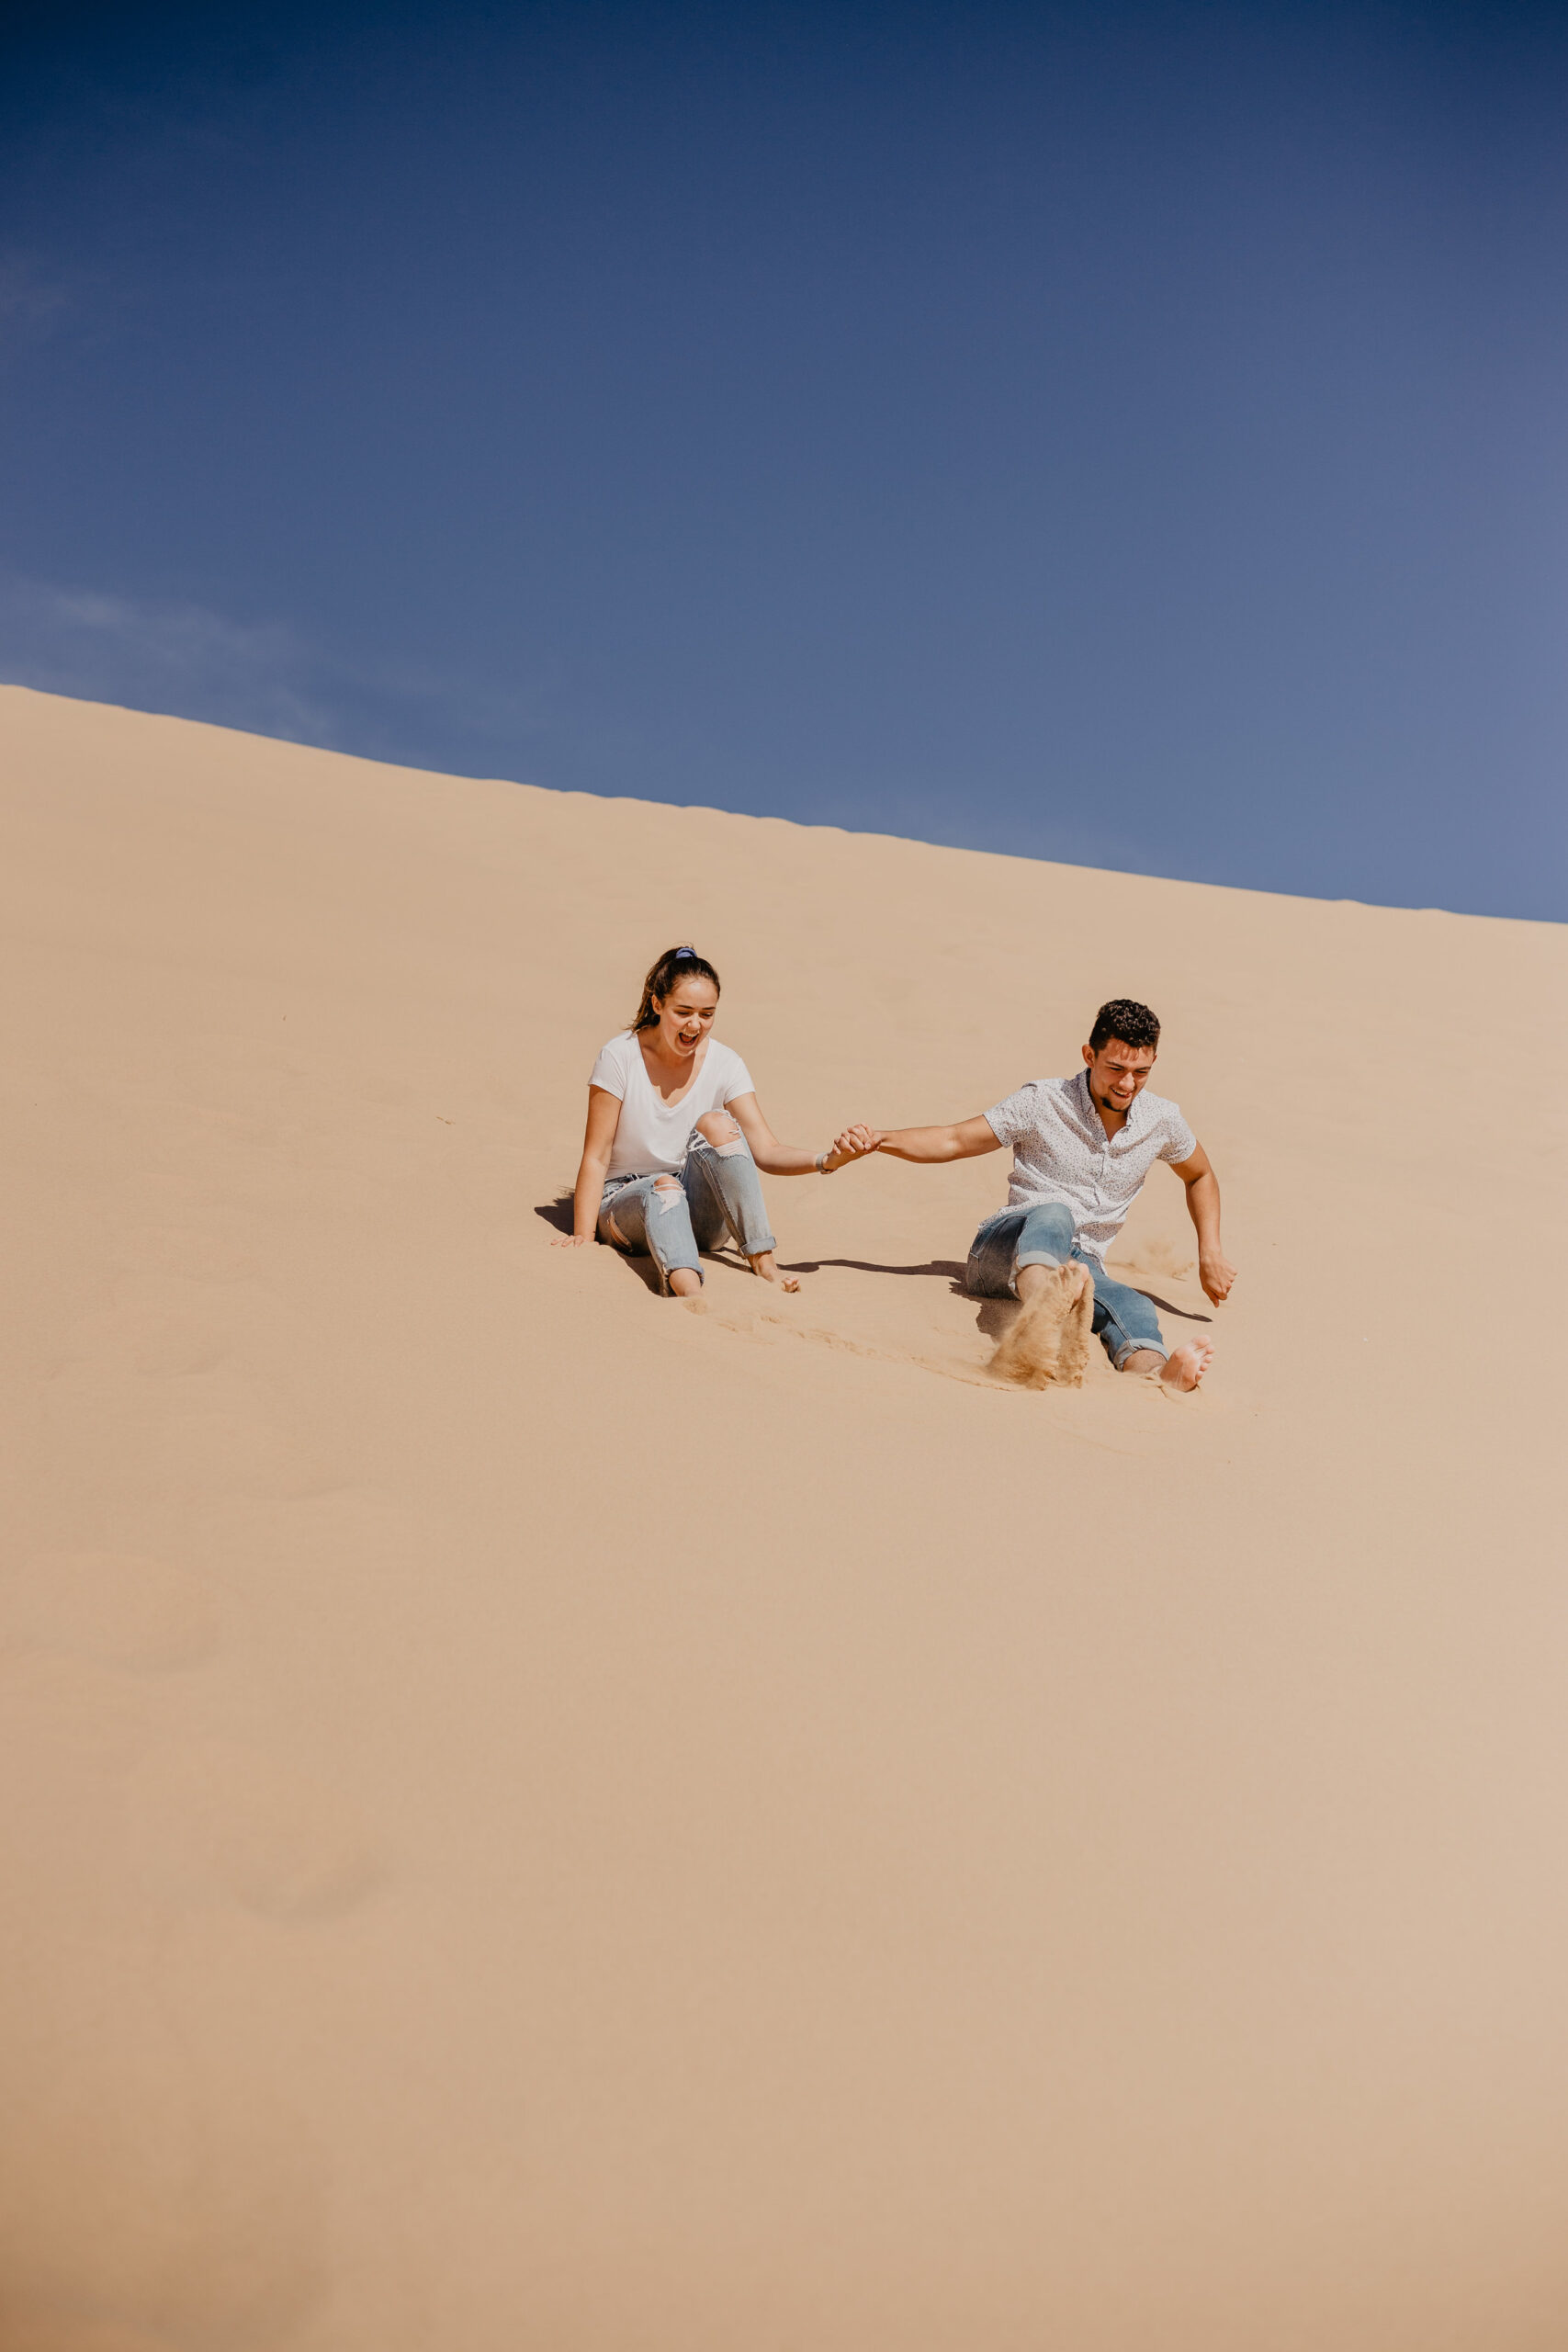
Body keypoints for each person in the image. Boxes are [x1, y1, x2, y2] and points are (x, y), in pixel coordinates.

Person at [859, 999, 1235, 1392]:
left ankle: (1158, 1376)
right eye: (1116, 1069)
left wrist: (1210, 1251)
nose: (1127, 1084)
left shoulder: (1162, 1120)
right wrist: (880, 1140)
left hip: (1077, 1266)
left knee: (1132, 1305)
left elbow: (1200, 1174)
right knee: (1054, 1214)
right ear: (1090, 1055)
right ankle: (1043, 1314)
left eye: (1141, 1072)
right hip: (1003, 1249)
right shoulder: (1043, 1101)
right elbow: (954, 1140)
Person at [556, 944, 874, 1300]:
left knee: (717, 1123)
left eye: (707, 1014)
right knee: (663, 1186)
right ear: (657, 1004)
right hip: (626, 1208)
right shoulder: (619, 1056)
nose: (695, 1025)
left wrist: (826, 1161)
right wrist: (583, 1236)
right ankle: (693, 1297)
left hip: (698, 1214)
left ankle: (764, 1262)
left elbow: (766, 1150)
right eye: (684, 1012)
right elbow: (596, 1156)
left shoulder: (726, 1063)